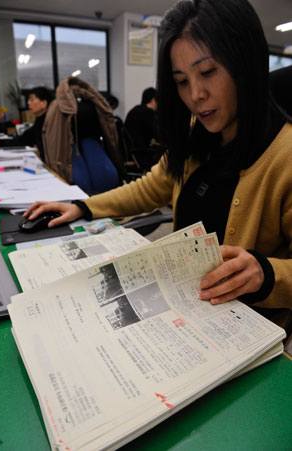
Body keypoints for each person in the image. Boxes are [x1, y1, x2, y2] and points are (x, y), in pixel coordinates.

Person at [24, 0, 292, 328]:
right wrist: (83, 206)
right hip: (183, 309)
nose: (196, 95)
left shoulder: (285, 155)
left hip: (245, 327)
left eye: (207, 72)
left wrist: (267, 273)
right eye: (181, 80)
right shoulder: (198, 134)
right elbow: (150, 187)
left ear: (245, 62)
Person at [0, 86, 54, 161]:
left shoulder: (50, 123)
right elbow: (23, 140)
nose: (28, 103)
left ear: (44, 103)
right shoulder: (40, 121)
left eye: (31, 99)